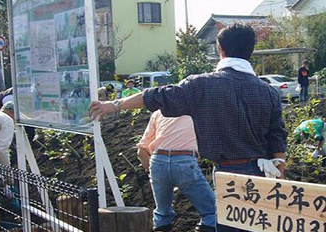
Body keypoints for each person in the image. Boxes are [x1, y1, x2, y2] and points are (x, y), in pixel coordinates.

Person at [90, 24, 287, 231]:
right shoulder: (268, 92)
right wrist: (280, 177)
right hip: (264, 173)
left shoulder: (202, 85)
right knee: (258, 226)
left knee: (230, 225)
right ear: (251, 50)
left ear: (221, 50)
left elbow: (155, 96)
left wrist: (113, 105)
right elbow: (277, 135)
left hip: (228, 174)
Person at [137, 110, 216, 232]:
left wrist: (150, 171)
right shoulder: (195, 110)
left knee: (162, 213)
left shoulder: (159, 113)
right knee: (212, 211)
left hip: (158, 161)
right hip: (184, 161)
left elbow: (141, 151)